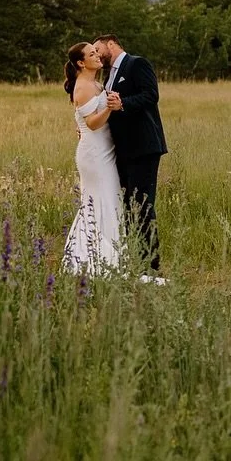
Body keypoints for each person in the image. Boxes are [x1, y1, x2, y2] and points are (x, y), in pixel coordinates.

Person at [93, 34, 168, 280]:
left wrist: (123, 103)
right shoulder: (108, 75)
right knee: (128, 208)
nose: (96, 53)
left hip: (144, 147)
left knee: (143, 205)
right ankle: (136, 260)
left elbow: (151, 95)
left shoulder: (136, 64)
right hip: (123, 151)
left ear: (110, 44)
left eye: (97, 48)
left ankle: (151, 267)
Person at [61, 42, 122, 274]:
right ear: (80, 62)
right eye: (91, 54)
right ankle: (93, 258)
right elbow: (91, 124)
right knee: (100, 199)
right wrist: (110, 108)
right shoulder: (83, 86)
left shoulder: (96, 83)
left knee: (108, 198)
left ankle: (109, 253)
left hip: (104, 149)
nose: (97, 56)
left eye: (97, 52)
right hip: (95, 155)